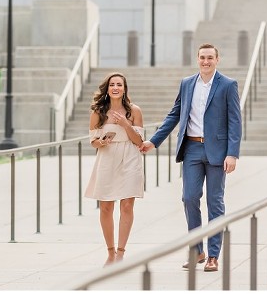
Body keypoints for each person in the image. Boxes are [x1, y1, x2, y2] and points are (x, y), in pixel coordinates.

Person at [139, 43, 241, 272]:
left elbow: (235, 121)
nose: (206, 62)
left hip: (217, 151)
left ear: (217, 59)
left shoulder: (227, 85)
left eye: (210, 58)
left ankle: (214, 255)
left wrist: (232, 153)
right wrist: (153, 141)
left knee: (215, 202)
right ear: (197, 59)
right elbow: (174, 114)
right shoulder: (187, 84)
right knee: (189, 197)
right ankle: (197, 250)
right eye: (202, 58)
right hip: (192, 149)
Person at [84, 72, 145, 265]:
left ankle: (121, 252)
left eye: (119, 84)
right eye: (112, 85)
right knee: (106, 207)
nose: (116, 88)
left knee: (127, 205)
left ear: (125, 88)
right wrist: (100, 142)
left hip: (130, 158)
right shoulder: (97, 111)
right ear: (107, 88)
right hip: (107, 158)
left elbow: (139, 142)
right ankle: (110, 252)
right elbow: (92, 141)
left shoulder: (134, 110)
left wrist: (126, 124)